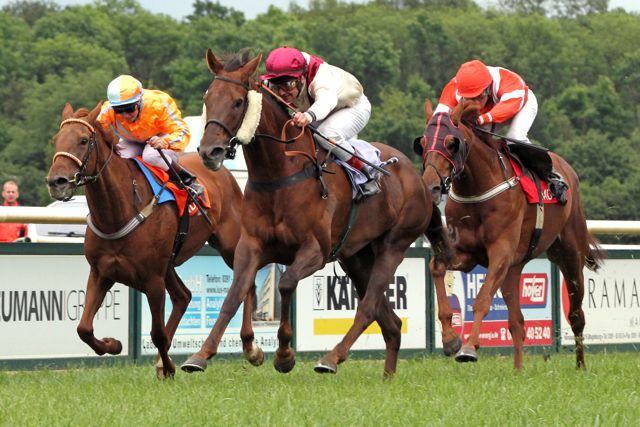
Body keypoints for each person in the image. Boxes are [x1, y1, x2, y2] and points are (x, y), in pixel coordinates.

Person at [433, 59, 568, 203]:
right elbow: (438, 119)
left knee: (514, 137)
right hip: (488, 112)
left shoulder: (505, 81)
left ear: (487, 88)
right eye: (470, 99)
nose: (475, 103)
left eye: (478, 97)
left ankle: (552, 176)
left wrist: (482, 119)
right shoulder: (455, 88)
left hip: (520, 105)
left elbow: (507, 109)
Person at [260, 46, 380, 197]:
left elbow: (326, 101)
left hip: (353, 107)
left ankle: (366, 175)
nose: (282, 92)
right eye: (277, 86)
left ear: (301, 77)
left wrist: (308, 116)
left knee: (326, 134)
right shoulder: (280, 80)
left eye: (288, 85)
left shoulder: (320, 77)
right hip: (321, 111)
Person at [98, 74, 203, 198]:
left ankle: (188, 180)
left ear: (139, 102)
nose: (125, 115)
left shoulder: (159, 103)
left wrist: (165, 142)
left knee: (150, 156)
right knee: (118, 158)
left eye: (129, 109)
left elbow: (183, 131)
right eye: (119, 111)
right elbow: (92, 128)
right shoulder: (107, 110)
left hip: (161, 137)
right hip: (132, 141)